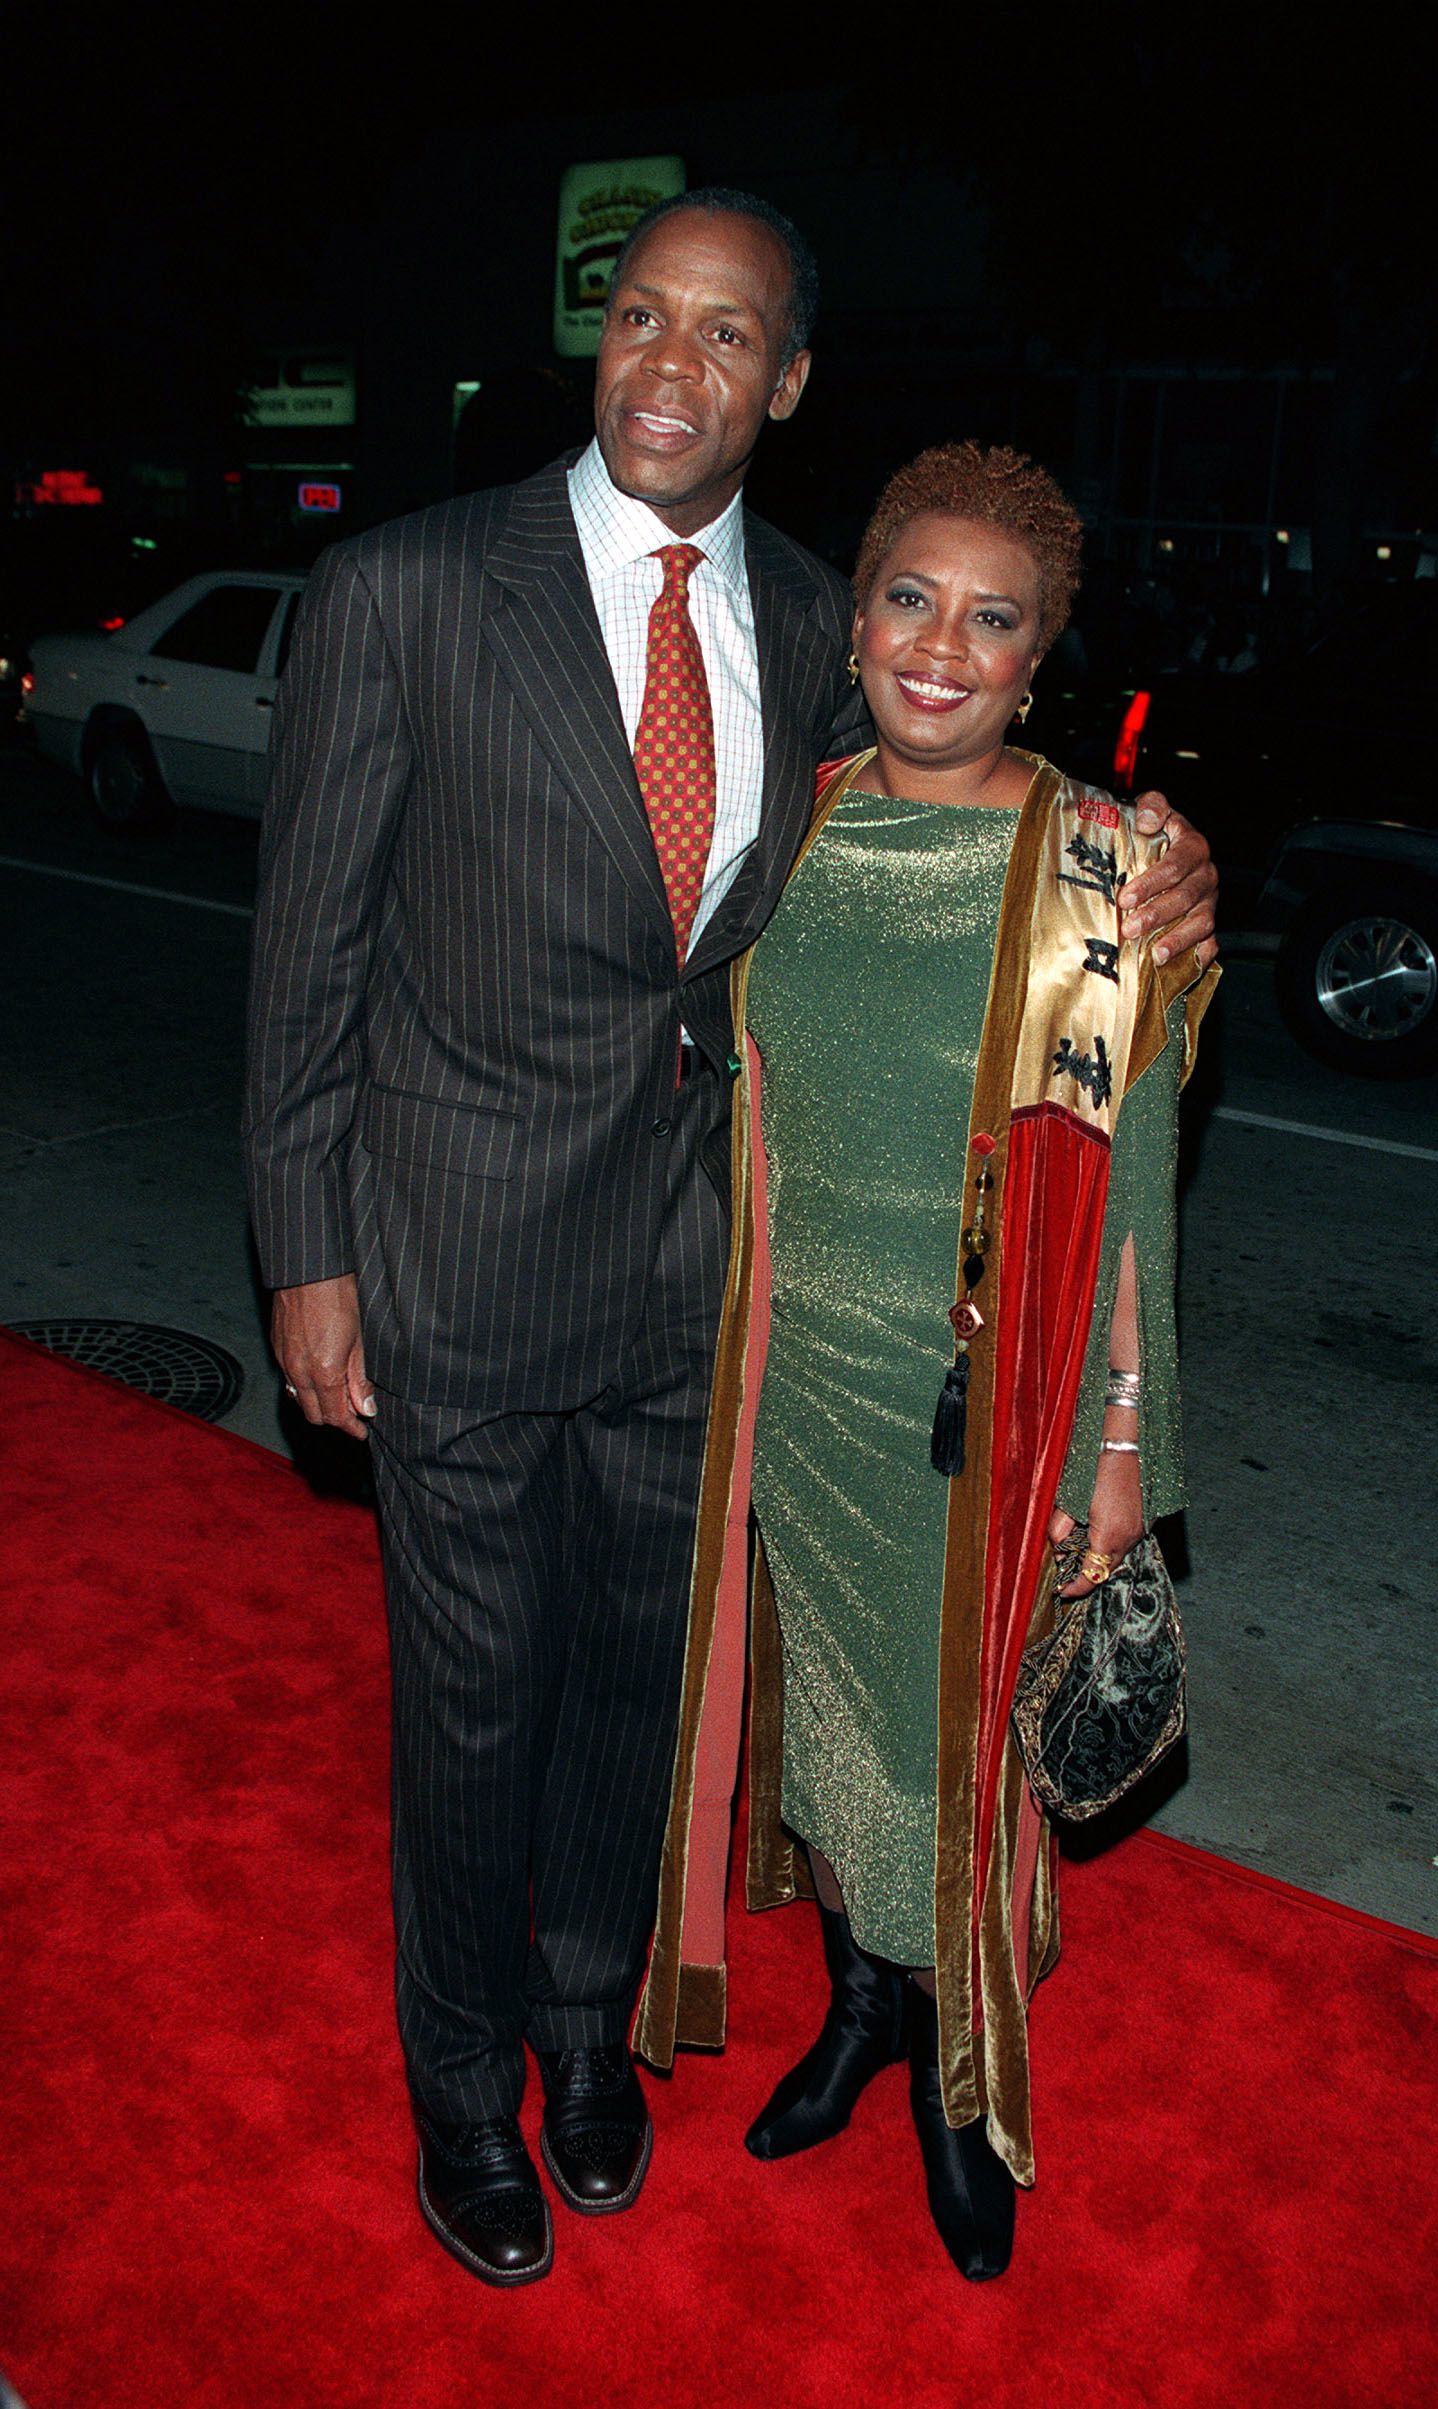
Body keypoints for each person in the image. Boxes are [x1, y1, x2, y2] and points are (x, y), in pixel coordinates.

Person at [244, 194, 1217, 2289]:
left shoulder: (806, 616)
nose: (667, 361)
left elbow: (979, 813)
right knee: (474, 1707)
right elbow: (302, 963)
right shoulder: (399, 588)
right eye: (636, 313)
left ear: (784, 376)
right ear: (600, 336)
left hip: (704, 1285)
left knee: (630, 1701)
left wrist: (1154, 879)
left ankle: (588, 2036)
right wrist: (308, 1260)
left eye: (726, 331)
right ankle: (461, 2088)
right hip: (454, 1267)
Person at [633, 441, 1216, 2281]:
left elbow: (1129, 1189)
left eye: (994, 619)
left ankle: (961, 2076)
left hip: (996, 1396)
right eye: (910, 599)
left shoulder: (1098, 866)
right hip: (790, 1378)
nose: (941, 648)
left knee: (961, 1742)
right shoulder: (778, 828)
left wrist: (1120, 1445)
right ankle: (865, 2005)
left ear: (1040, 658)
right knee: (828, 1716)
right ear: (856, 613)